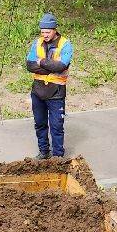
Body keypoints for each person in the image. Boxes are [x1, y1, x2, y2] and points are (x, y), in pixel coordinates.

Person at [26, 12, 73, 159]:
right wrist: (50, 66)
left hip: (56, 93)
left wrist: (41, 62)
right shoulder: (37, 43)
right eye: (42, 32)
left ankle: (58, 157)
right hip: (38, 91)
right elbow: (29, 65)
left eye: (48, 32)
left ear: (54, 30)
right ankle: (44, 151)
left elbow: (61, 66)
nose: (45, 35)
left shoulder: (65, 44)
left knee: (56, 126)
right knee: (40, 123)